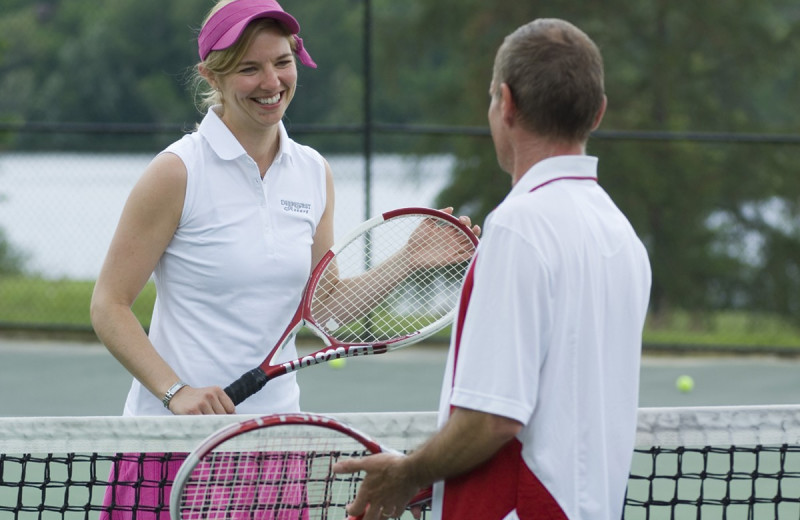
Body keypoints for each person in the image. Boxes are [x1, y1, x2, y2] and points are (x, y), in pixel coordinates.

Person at [334, 18, 652, 520]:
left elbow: (492, 417)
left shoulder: (519, 227)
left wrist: (409, 473)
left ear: (506, 103)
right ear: (598, 112)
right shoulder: (622, 236)